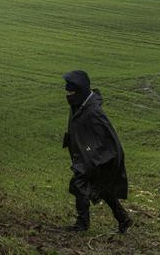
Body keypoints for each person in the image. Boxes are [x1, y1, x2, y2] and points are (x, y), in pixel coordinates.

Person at [62, 70, 132, 233]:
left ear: (80, 91)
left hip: (99, 158)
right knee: (104, 190)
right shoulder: (78, 105)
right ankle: (124, 219)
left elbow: (109, 139)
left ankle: (82, 224)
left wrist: (94, 159)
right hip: (88, 156)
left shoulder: (93, 112)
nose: (68, 95)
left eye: (71, 92)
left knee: (80, 185)